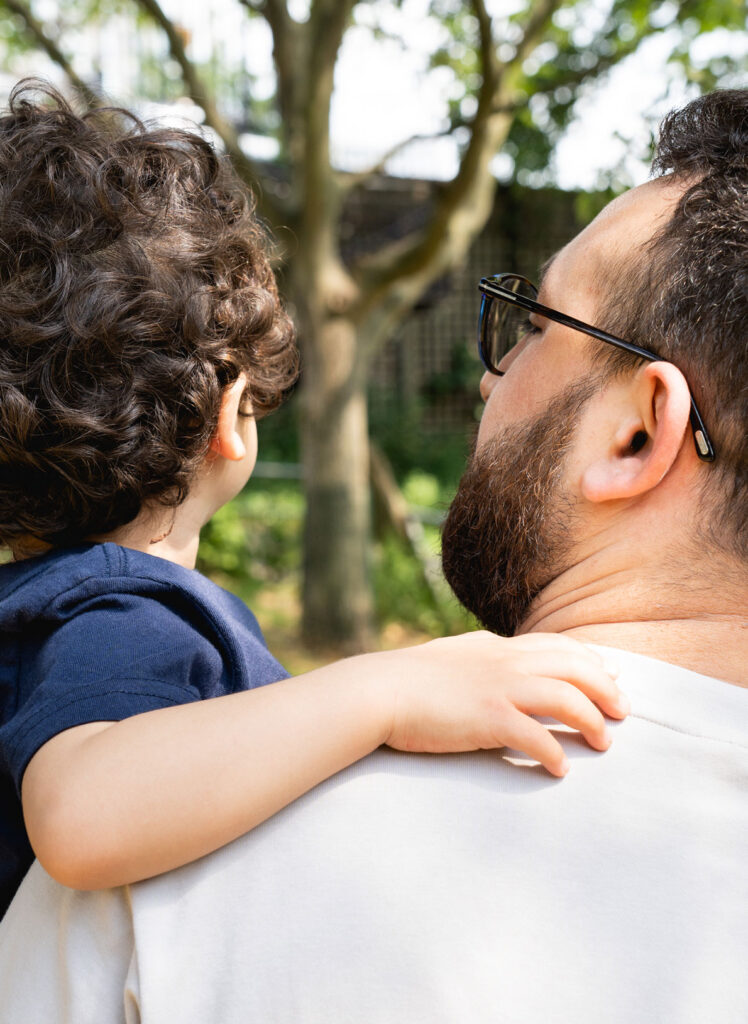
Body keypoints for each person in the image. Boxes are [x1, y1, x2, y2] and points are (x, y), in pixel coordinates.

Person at [0, 86, 746, 1023]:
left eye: (538, 323)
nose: (489, 374)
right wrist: (386, 688)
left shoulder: (164, 880)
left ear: (638, 435)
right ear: (231, 417)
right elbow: (82, 810)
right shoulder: (122, 623)